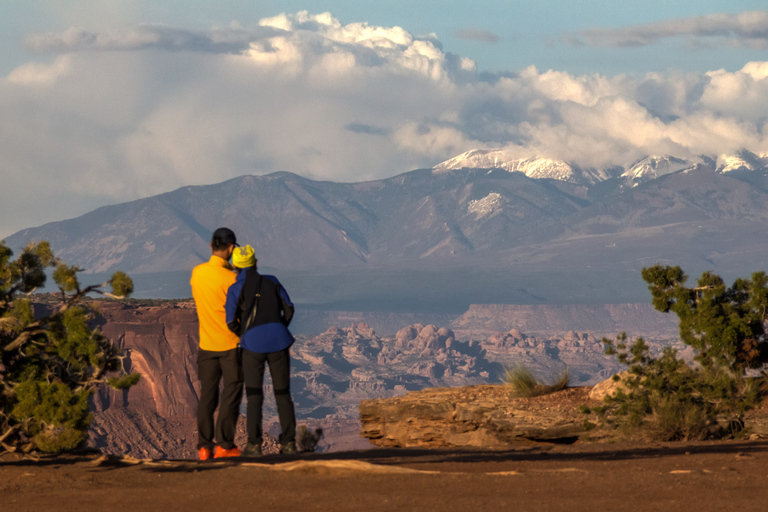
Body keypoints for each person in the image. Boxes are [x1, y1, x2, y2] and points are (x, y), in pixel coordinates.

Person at [225, 245, 297, 456]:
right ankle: (289, 443)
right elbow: (289, 308)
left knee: (254, 395)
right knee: (282, 393)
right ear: (256, 262)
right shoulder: (272, 281)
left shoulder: (235, 289)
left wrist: (244, 334)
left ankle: (254, 445)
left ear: (235, 267)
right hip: (279, 342)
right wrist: (280, 326)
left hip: (252, 346)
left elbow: (230, 321)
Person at [190, 227, 244, 460]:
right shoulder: (232, 279)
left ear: (211, 246)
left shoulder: (197, 273)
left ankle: (204, 447)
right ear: (231, 248)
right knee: (231, 395)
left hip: (206, 345)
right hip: (231, 346)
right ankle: (224, 445)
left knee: (207, 397)